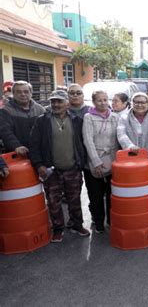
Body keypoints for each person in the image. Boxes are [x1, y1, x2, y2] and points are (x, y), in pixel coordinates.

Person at [29, 90, 90, 243]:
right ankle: (57, 229)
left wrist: (80, 163)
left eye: (59, 101)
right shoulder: (42, 121)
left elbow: (83, 142)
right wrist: (39, 165)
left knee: (74, 199)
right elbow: (34, 145)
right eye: (53, 102)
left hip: (73, 168)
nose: (56, 104)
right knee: (53, 201)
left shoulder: (77, 120)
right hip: (51, 170)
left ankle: (77, 225)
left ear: (67, 103)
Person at [117, 92, 148, 228]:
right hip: (131, 163)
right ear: (132, 103)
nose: (140, 105)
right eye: (137, 102)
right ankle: (138, 219)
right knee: (135, 193)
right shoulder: (123, 118)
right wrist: (130, 147)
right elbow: (121, 135)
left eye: (143, 102)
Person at [82, 90, 119, 233]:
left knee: (112, 193)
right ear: (93, 102)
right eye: (99, 100)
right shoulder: (88, 117)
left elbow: (118, 138)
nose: (103, 103)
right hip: (95, 160)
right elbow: (88, 140)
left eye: (105, 99)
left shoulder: (114, 117)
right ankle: (98, 221)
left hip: (113, 160)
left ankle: (111, 220)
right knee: (96, 195)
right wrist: (96, 161)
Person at [0, 81, 45, 155]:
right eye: (18, 92)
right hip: (17, 154)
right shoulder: (5, 111)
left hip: (39, 152)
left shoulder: (40, 110)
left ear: (31, 93)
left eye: (26, 91)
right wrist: (16, 146)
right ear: (13, 94)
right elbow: (6, 132)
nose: (23, 94)